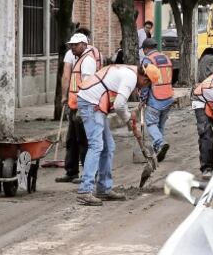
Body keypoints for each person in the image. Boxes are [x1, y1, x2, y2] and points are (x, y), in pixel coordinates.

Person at [75, 63, 160, 206]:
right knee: (96, 145)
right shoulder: (131, 78)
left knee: (108, 146)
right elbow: (119, 105)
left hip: (95, 103)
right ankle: (85, 190)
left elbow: (121, 104)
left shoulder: (130, 73)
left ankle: (103, 188)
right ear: (145, 80)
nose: (145, 87)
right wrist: (129, 120)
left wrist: (130, 122)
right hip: (90, 103)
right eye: (147, 85)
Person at [57, 31, 102, 183]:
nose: (72, 48)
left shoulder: (87, 60)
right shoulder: (79, 58)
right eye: (71, 45)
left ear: (84, 44)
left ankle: (88, 174)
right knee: (72, 139)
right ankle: (71, 171)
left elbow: (87, 85)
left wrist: (84, 108)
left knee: (84, 141)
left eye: (75, 45)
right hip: (75, 105)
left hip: (83, 107)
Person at [139, 38, 174, 162]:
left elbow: (145, 81)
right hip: (168, 96)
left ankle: (160, 142)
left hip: (155, 97)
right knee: (160, 124)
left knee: (151, 123)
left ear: (146, 49)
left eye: (143, 49)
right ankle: (158, 148)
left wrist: (143, 98)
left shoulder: (148, 60)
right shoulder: (166, 58)